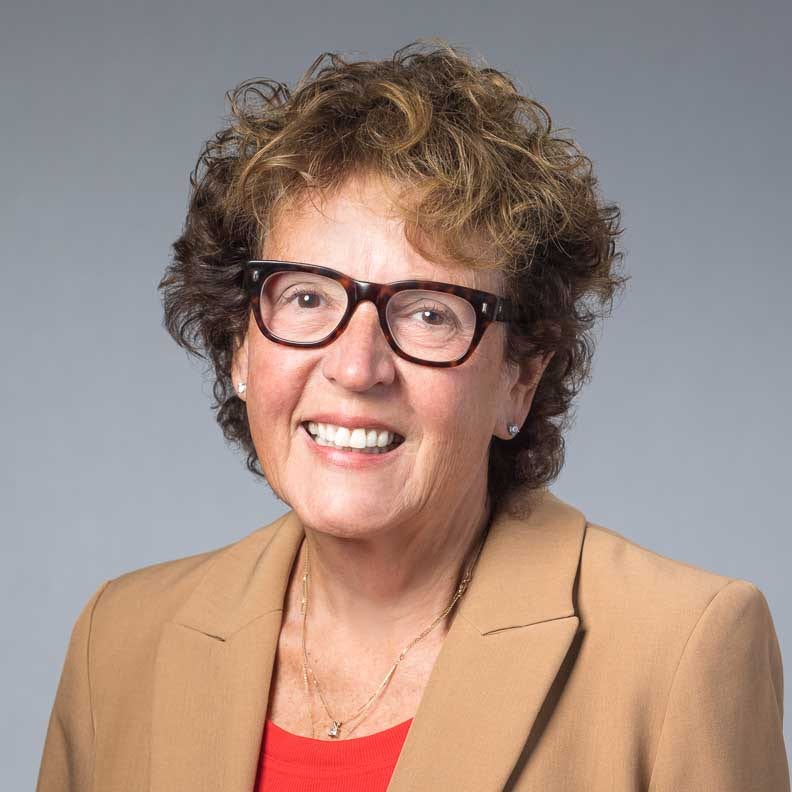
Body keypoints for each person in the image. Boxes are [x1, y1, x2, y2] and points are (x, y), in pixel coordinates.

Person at [36, 39, 789, 792]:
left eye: (429, 313)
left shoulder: (682, 649)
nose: (356, 367)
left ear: (518, 379)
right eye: (306, 298)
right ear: (239, 347)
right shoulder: (120, 641)